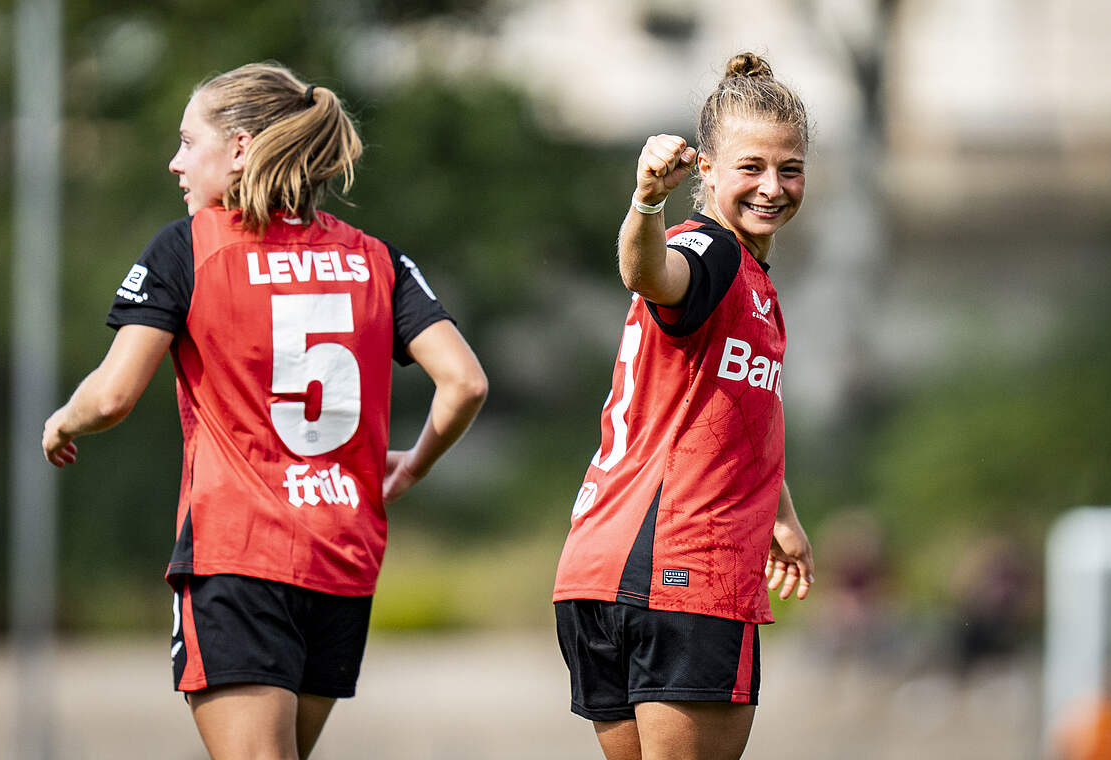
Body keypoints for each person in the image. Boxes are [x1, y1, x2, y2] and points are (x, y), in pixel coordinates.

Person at [41, 63, 487, 760]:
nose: (175, 162)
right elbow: (464, 383)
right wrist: (415, 464)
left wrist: (63, 419)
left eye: (190, 143)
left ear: (242, 149)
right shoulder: (375, 257)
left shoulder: (190, 247)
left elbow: (111, 396)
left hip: (239, 558)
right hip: (343, 556)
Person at [552, 52, 815, 760]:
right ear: (705, 168)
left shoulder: (752, 281)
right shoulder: (711, 252)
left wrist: (782, 516)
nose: (772, 186)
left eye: (789, 169)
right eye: (751, 167)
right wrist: (644, 201)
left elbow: (728, 418)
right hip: (684, 575)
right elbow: (649, 274)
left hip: (596, 572)